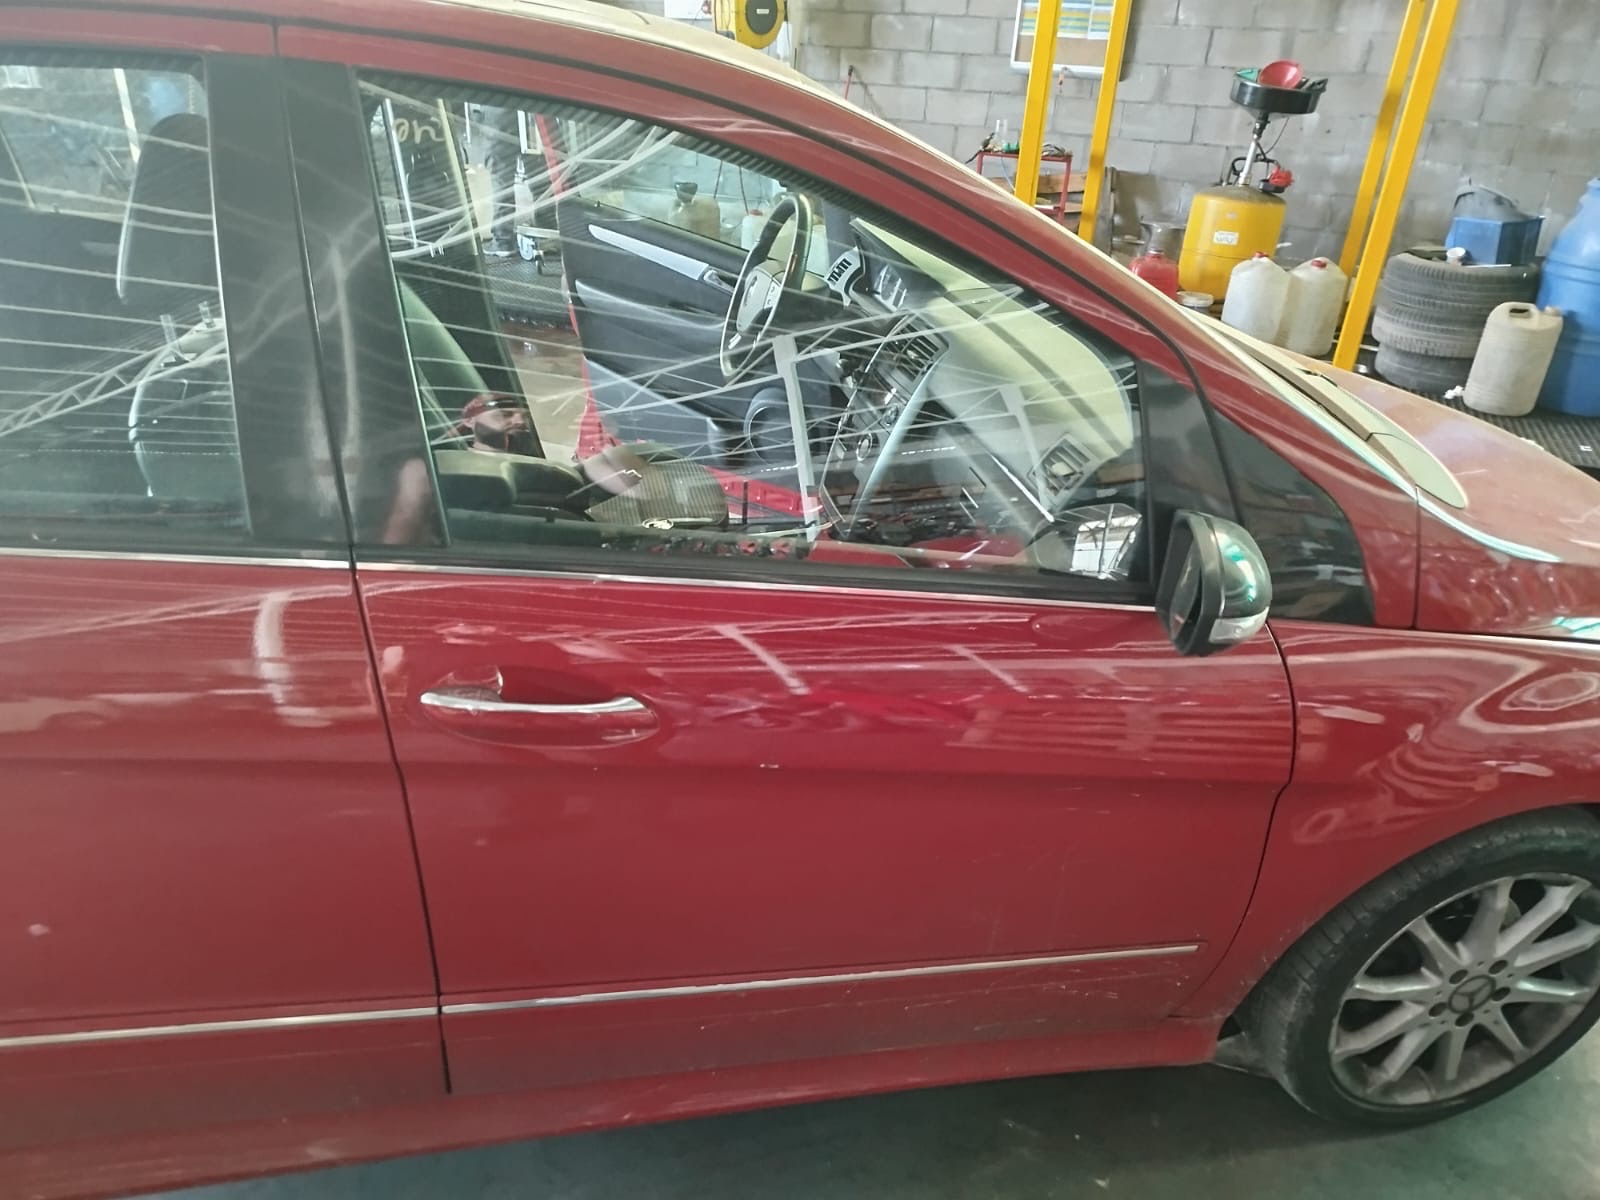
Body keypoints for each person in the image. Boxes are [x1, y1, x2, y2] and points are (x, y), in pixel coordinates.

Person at [479, 105, 523, 258]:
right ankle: (547, 234)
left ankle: (503, 240)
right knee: (539, 169)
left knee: (500, 179)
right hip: (532, 107)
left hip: (500, 112)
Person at [459, 392, 538, 456]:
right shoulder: (457, 462)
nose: (521, 421)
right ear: (469, 420)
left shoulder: (538, 461)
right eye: (505, 415)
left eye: (525, 416)